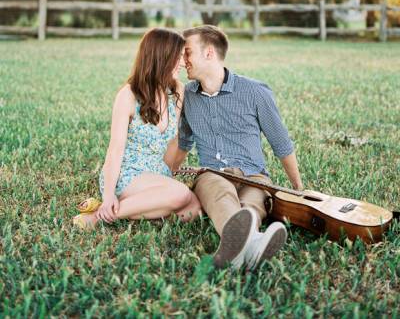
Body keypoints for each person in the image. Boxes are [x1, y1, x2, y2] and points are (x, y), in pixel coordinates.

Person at [172, 25, 304, 270]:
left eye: (187, 53)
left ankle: (239, 250)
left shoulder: (255, 92)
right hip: (213, 175)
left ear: (209, 53)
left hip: (256, 177)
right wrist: (165, 176)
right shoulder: (186, 96)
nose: (182, 61)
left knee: (252, 207)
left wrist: (298, 187)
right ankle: (254, 244)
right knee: (221, 195)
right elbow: (183, 143)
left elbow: (280, 142)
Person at [73, 28, 201, 229]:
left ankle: (137, 209)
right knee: (181, 194)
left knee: (193, 209)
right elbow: (115, 150)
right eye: (178, 57)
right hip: (128, 173)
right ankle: (101, 215)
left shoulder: (177, 91)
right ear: (162, 57)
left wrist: (172, 169)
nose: (184, 63)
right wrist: (108, 196)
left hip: (157, 172)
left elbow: (175, 143)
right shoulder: (129, 95)